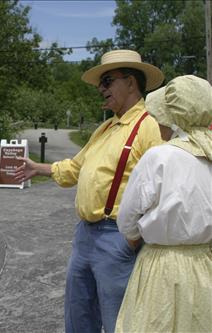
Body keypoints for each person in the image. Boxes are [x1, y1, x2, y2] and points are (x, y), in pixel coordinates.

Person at [14, 49, 164, 333]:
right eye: (101, 83)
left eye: (107, 81)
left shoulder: (148, 127)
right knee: (78, 316)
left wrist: (132, 240)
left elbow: (160, 189)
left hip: (118, 237)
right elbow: (75, 167)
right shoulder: (105, 128)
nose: (100, 89)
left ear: (131, 83)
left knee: (118, 321)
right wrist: (38, 168)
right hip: (85, 236)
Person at [115, 75, 212, 332]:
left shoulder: (160, 156)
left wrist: (135, 235)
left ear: (173, 118)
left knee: (156, 323)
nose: (157, 122)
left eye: (160, 117)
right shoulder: (209, 154)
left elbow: (127, 219)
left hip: (162, 266)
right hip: (205, 264)